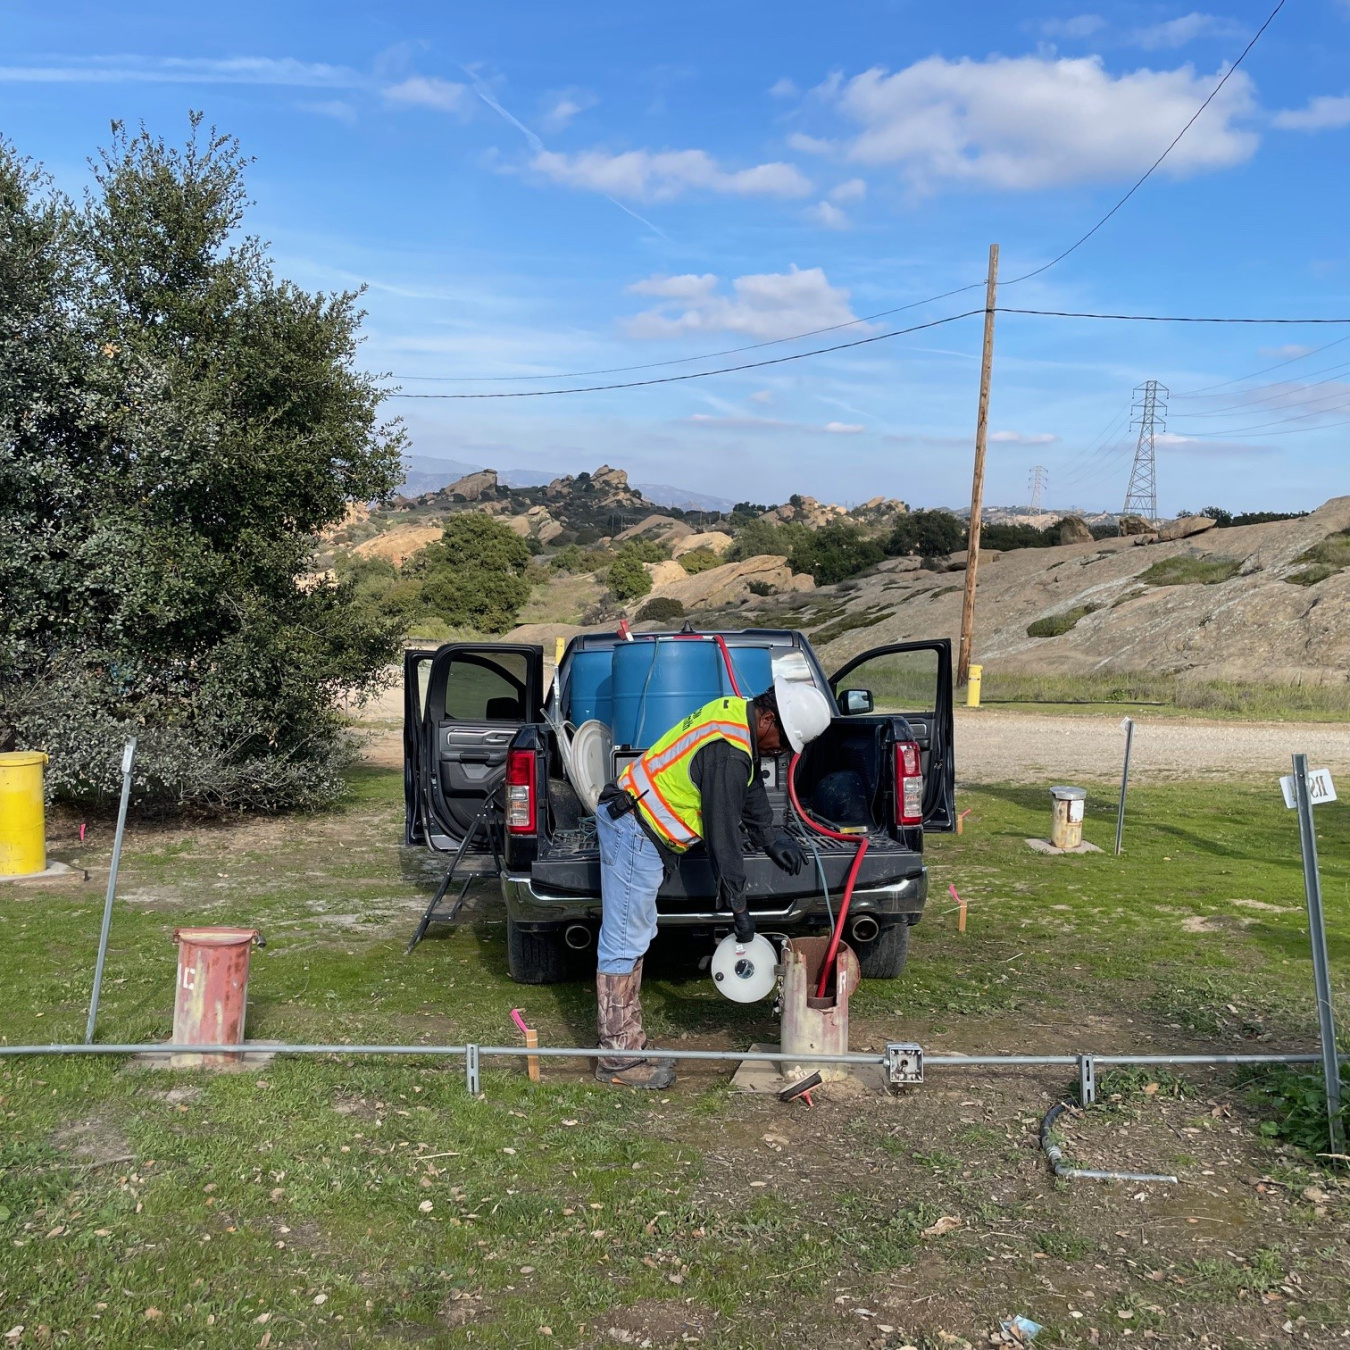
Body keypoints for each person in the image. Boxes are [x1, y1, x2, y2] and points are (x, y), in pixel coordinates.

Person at [593, 676, 833, 1088]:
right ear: (767, 719)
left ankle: (629, 1044)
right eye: (783, 742)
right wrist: (739, 908)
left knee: (636, 933)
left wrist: (771, 835)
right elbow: (723, 836)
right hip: (634, 829)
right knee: (624, 940)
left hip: (641, 827)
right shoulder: (728, 752)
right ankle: (618, 1060)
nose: (782, 752)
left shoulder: (738, 715)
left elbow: (750, 783)